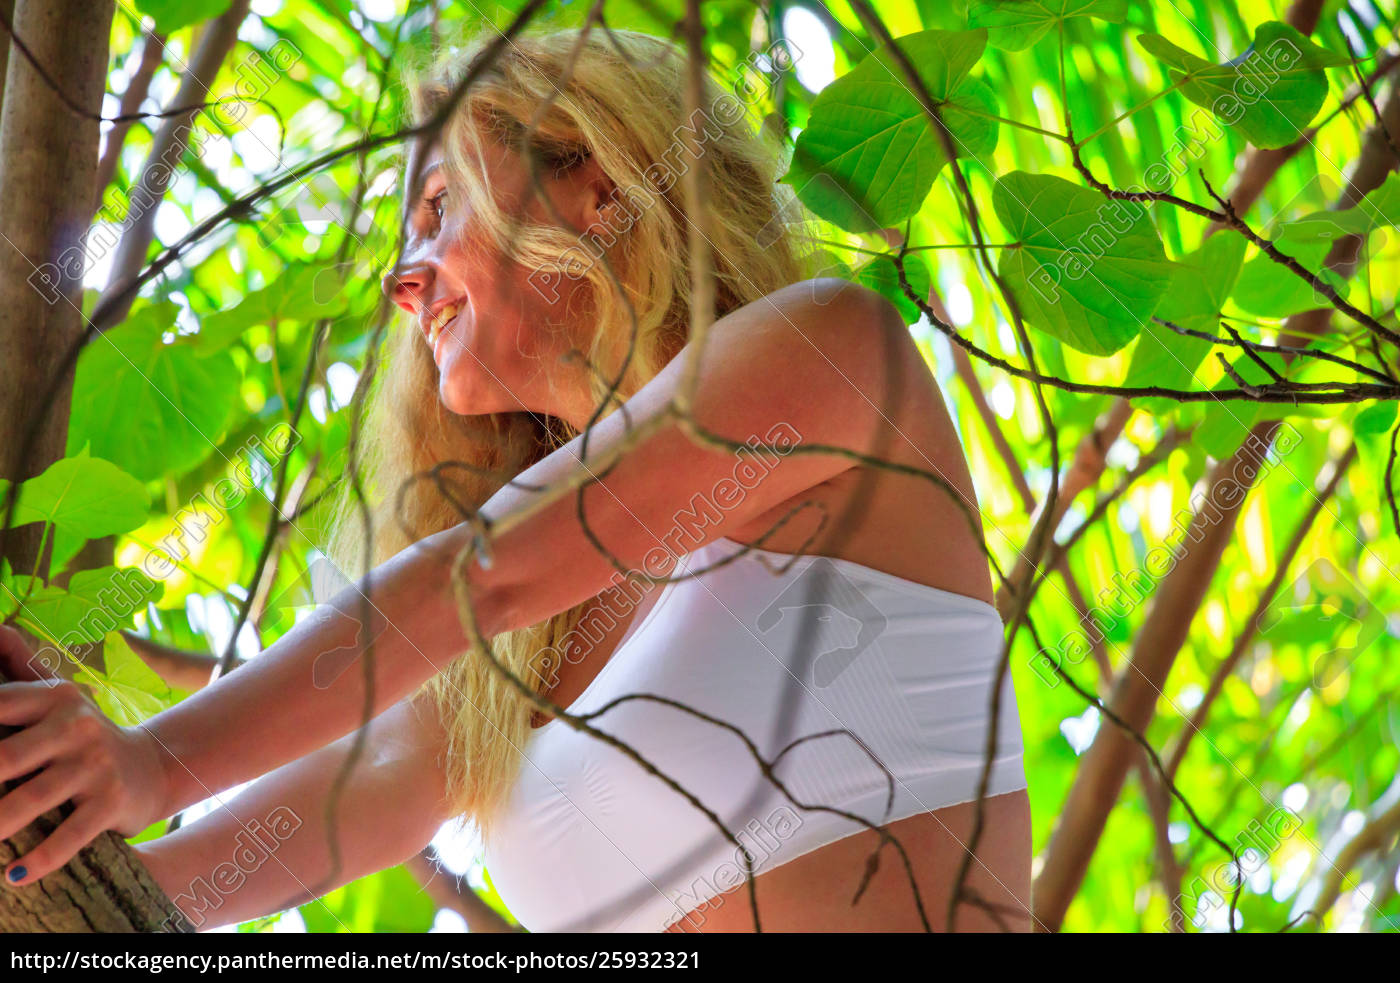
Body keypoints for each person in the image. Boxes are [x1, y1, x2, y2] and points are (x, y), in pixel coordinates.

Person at [0, 27, 1031, 932]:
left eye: (440, 206)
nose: (405, 283)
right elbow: (374, 781)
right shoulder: (527, 651)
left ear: (599, 181)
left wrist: (142, 765)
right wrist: (55, 860)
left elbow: (484, 572)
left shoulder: (838, 350)